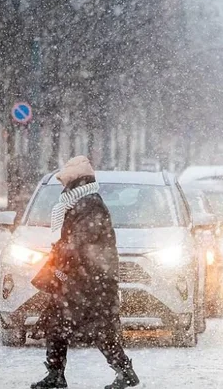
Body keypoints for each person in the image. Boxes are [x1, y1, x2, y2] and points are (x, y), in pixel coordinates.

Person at [30, 156, 140, 389]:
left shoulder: (90, 205)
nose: (63, 188)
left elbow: (79, 242)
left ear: (76, 183)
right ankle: (56, 375)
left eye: (66, 184)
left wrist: (61, 257)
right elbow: (73, 242)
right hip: (79, 280)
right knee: (58, 325)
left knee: (101, 330)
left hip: (92, 282)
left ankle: (125, 372)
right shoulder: (81, 203)